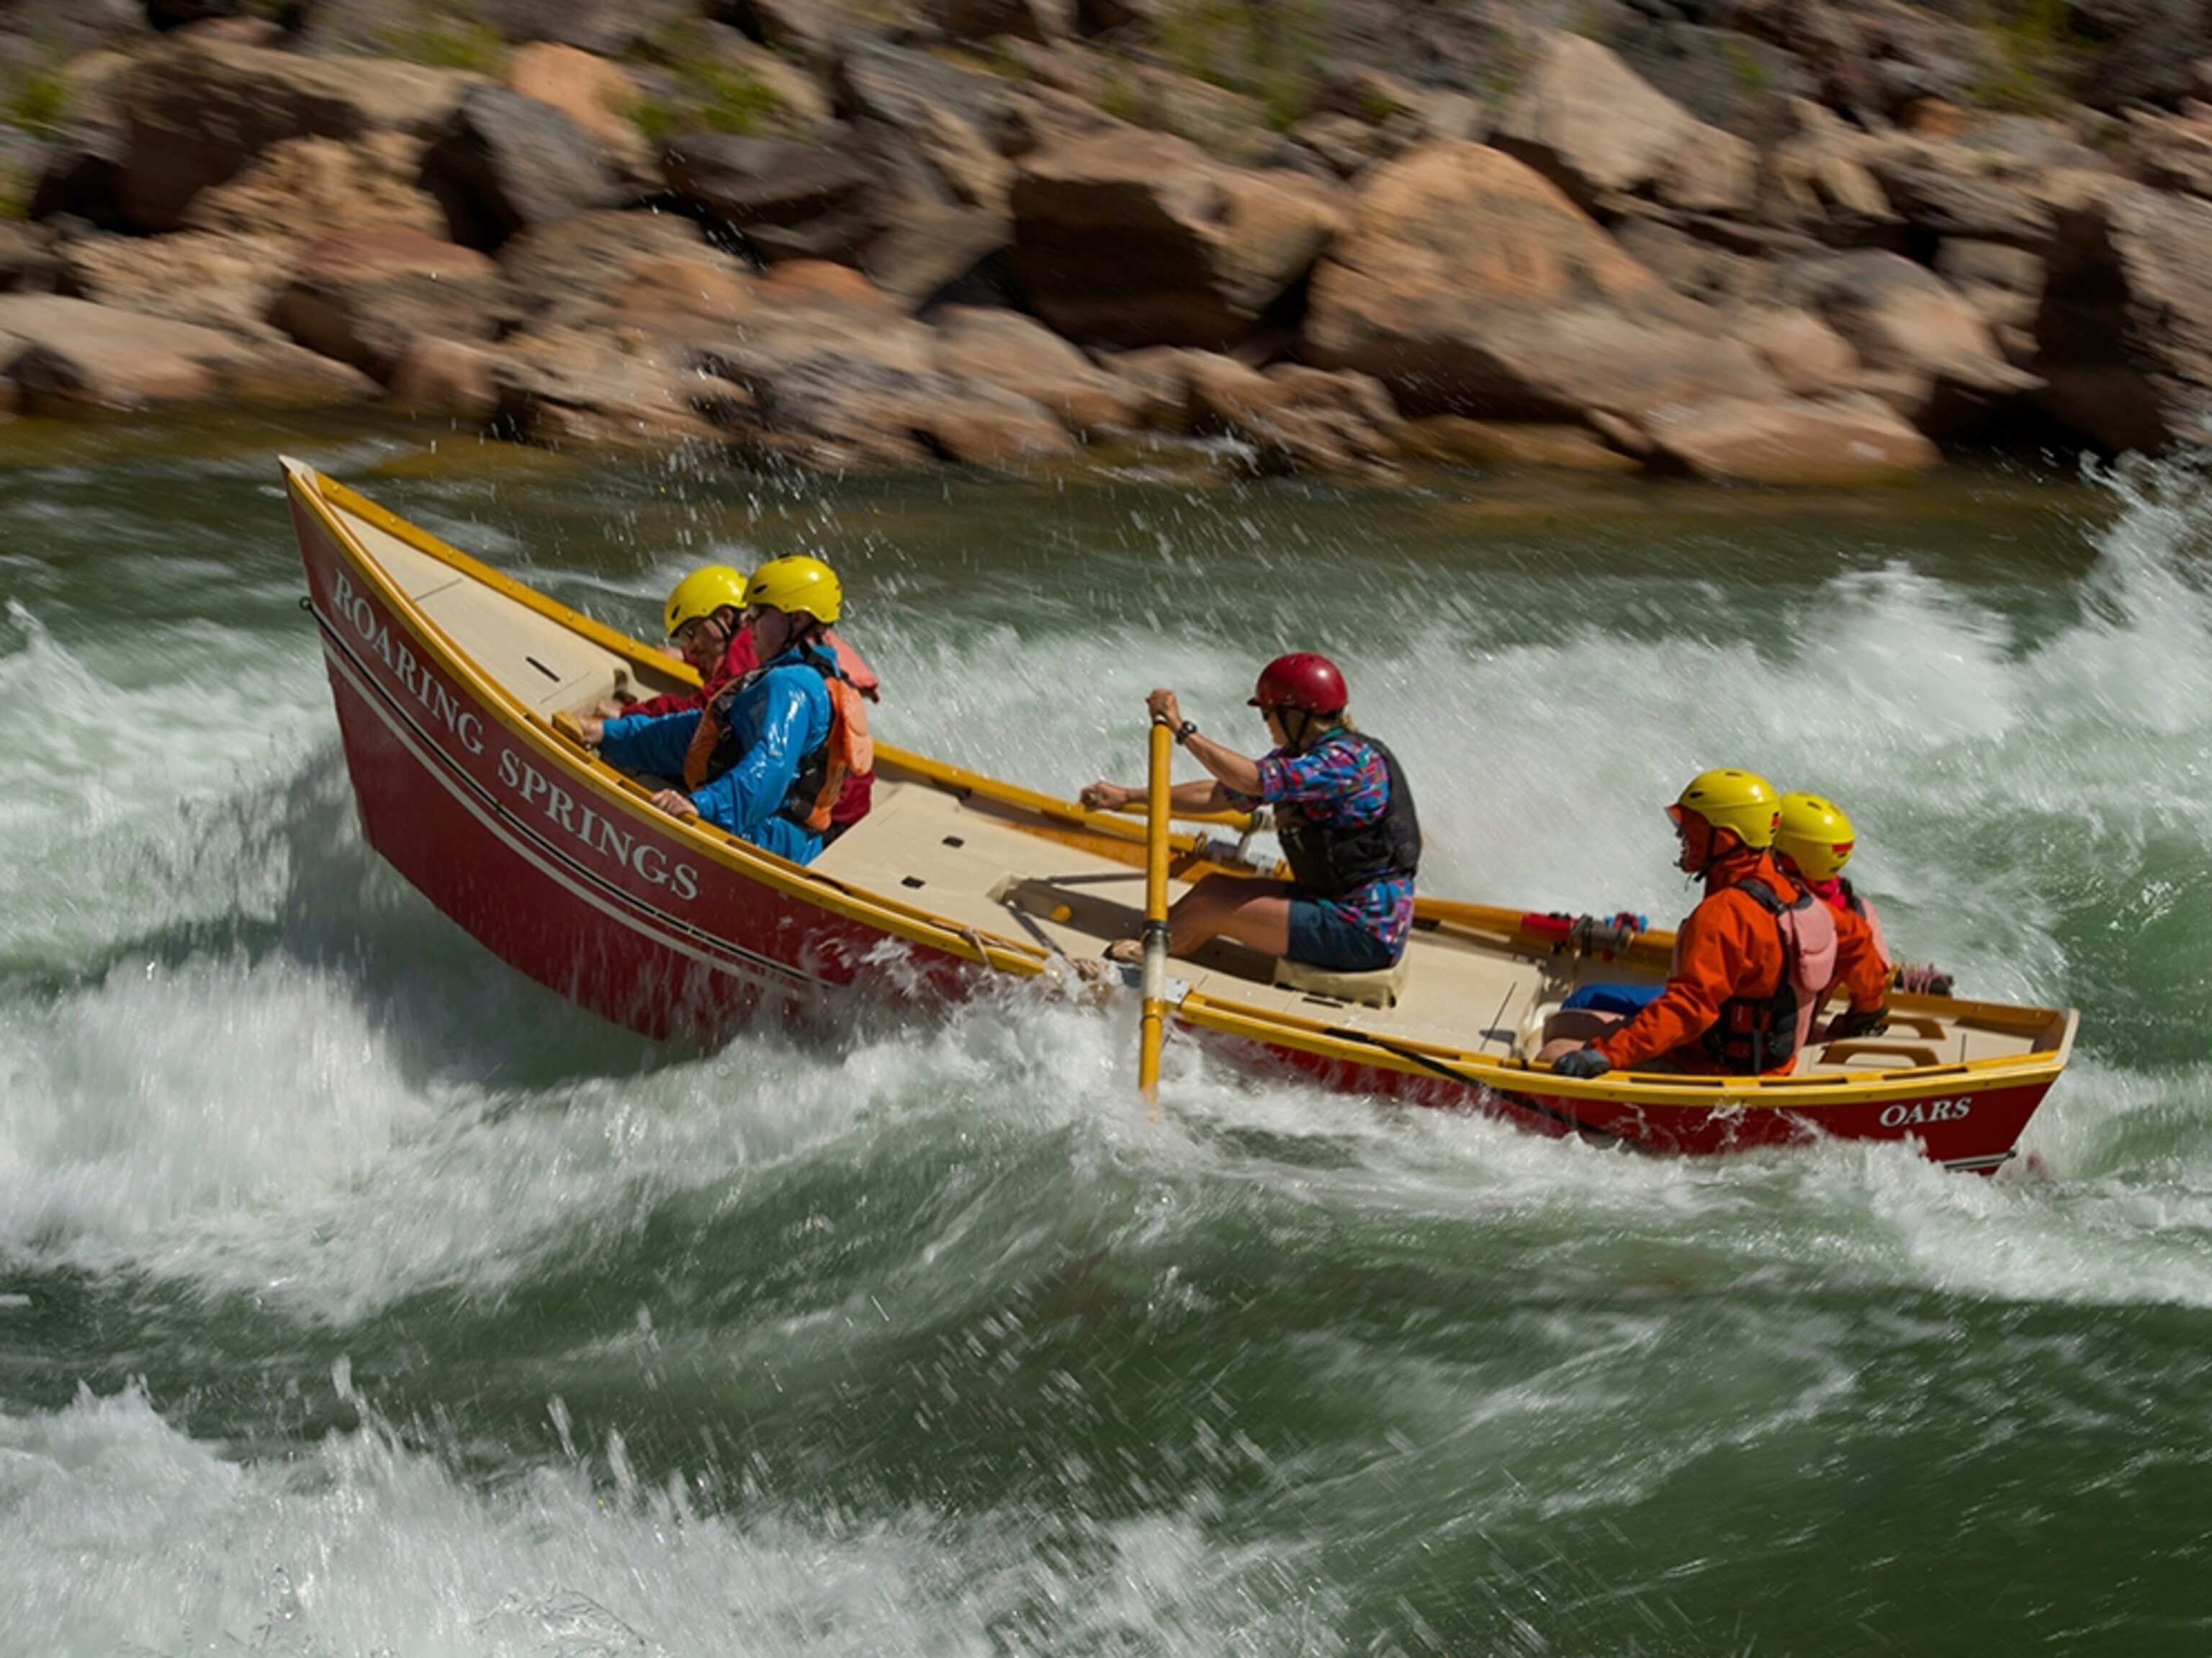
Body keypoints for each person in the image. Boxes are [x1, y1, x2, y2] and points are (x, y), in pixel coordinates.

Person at [1079, 652, 1420, 972]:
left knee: (1210, 908)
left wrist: (1181, 729)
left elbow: (1255, 781)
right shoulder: (1306, 755)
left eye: (1267, 713)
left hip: (1364, 931)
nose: (1266, 722)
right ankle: (1164, 939)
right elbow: (1219, 794)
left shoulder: (1346, 763)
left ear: (1295, 715)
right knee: (1210, 888)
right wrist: (1127, 798)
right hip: (1333, 902)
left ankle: (1146, 960)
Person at [573, 555, 873, 864]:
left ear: (796, 619)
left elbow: (769, 768)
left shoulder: (792, 686)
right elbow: (696, 731)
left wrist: (701, 806)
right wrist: (611, 733)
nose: (749, 623)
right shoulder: (794, 675)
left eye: (759, 612)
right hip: (775, 836)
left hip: (768, 847)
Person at [1545, 768, 1838, 1080]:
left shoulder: (1725, 913)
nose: (1680, 836)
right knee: (1559, 1023)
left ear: (1725, 837)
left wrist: (1607, 1054)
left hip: (1714, 1066)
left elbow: (1690, 1008)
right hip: (1765, 1059)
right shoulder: (1791, 893)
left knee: (1552, 1053)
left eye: (1689, 826)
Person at [1773, 792, 1953, 1018]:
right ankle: (1886, 975)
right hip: (1820, 999)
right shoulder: (1849, 905)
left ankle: (1884, 976)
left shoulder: (1773, 898)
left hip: (1771, 1022)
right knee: (1863, 914)